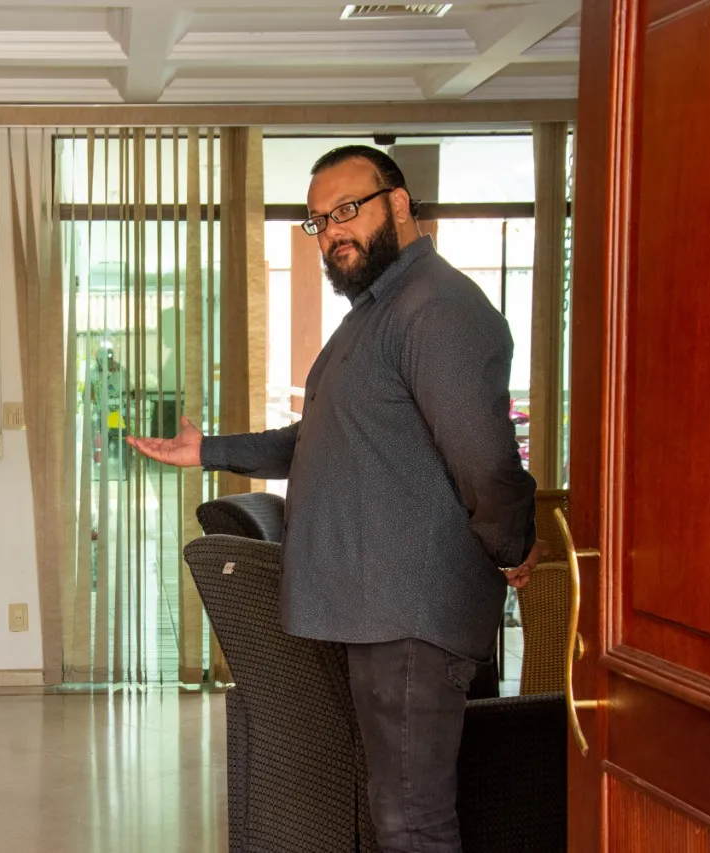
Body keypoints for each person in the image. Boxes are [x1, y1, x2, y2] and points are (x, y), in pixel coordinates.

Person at [127, 146, 540, 853]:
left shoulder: (437, 308)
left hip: (411, 610)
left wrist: (514, 546)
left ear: (399, 203)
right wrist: (208, 451)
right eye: (319, 221)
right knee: (397, 811)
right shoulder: (375, 314)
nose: (332, 231)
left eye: (347, 209)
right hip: (377, 609)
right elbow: (317, 440)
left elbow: (485, 456)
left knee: (411, 820)